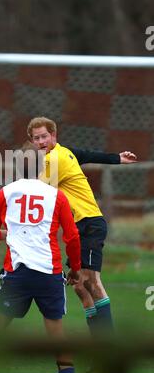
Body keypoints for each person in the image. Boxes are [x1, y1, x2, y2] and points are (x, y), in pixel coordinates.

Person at [27, 116, 137, 338]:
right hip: (78, 228)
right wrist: (116, 158)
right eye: (36, 138)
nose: (41, 141)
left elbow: (39, 194)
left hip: (90, 224)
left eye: (44, 136)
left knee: (90, 281)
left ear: (54, 136)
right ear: (32, 141)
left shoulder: (54, 160)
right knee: (79, 285)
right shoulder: (64, 153)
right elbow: (87, 154)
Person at [0, 143, 81, 373]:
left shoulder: (5, 192)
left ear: (17, 167)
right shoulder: (56, 195)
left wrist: (4, 235)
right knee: (57, 334)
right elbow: (73, 237)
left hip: (17, 272)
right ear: (41, 168)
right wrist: (75, 268)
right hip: (49, 272)